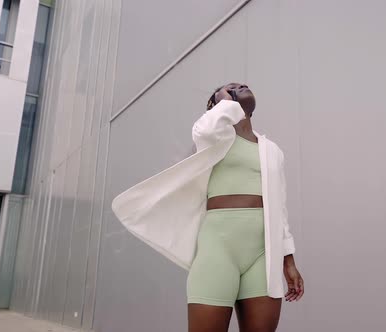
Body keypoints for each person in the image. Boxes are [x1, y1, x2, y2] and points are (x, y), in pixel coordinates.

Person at [111, 83, 304, 332]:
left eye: (240, 85)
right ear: (217, 106)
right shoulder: (214, 138)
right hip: (218, 249)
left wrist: (288, 262)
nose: (238, 86)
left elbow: (280, 210)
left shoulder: (272, 151)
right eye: (229, 88)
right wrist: (224, 102)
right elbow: (203, 128)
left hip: (262, 254)